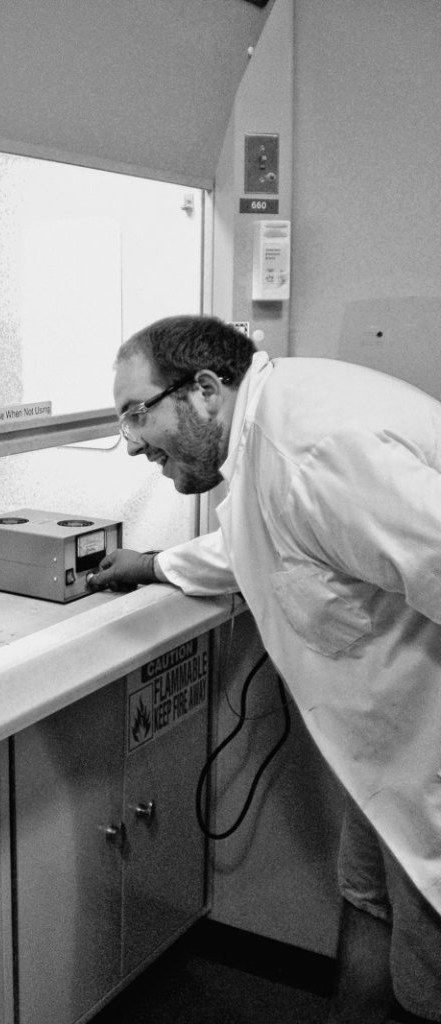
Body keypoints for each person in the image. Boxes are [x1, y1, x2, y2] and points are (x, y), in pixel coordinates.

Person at [86, 314, 441, 1024]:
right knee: (366, 902)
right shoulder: (269, 437)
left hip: (428, 764)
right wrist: (152, 565)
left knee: (428, 983)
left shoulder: (313, 449)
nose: (133, 444)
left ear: (207, 389)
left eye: (136, 414)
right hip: (383, 761)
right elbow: (258, 541)